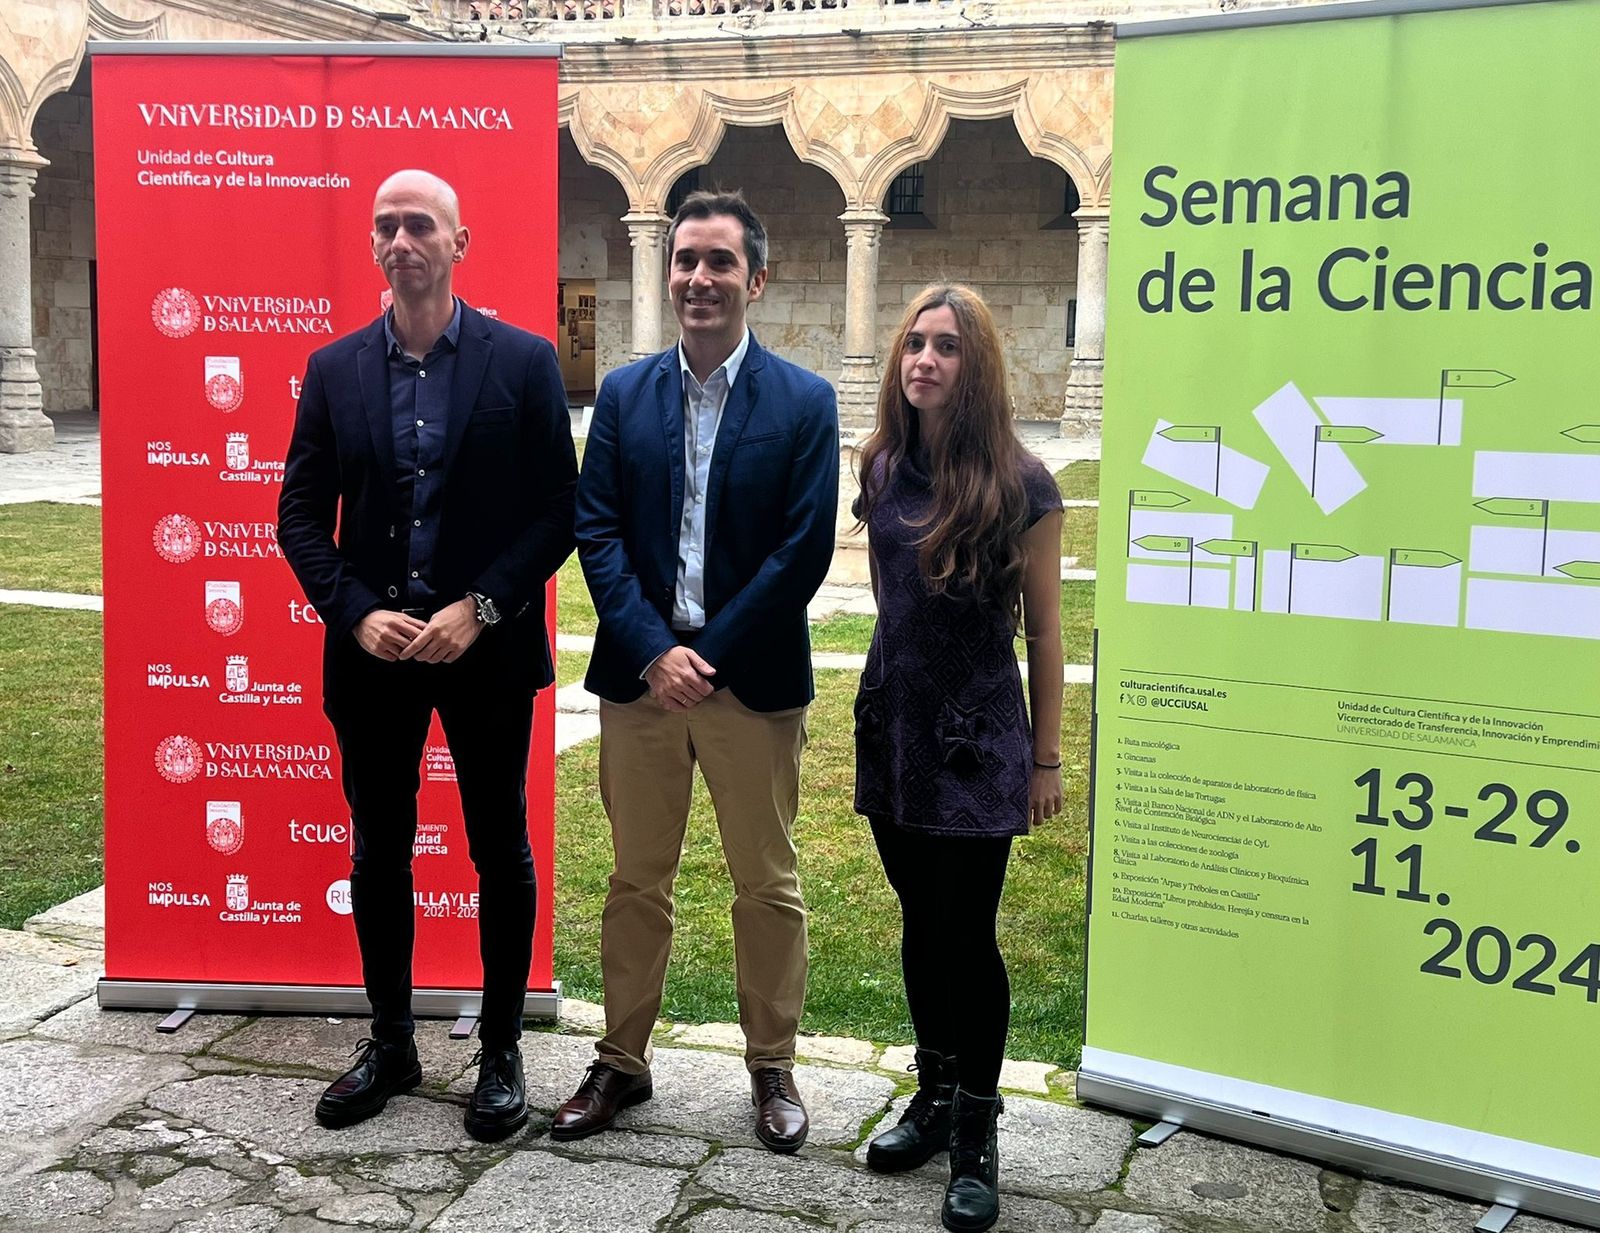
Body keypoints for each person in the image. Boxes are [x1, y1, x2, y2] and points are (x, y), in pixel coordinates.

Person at [277, 169, 577, 1142]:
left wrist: (482, 607)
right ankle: (395, 1041)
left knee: (500, 848)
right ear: (375, 246)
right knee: (378, 849)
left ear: (460, 241)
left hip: (483, 653)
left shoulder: (524, 363)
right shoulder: (333, 370)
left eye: (420, 226)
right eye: (386, 227)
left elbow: (556, 512)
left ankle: (498, 1049)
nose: (401, 240)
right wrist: (355, 612)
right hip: (373, 659)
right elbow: (298, 515)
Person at [555, 189, 839, 1152]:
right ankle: (622, 1061)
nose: (698, 279)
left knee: (765, 880)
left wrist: (706, 654)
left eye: (719, 262)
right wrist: (652, 648)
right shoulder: (626, 394)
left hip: (748, 684)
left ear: (755, 279)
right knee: (638, 879)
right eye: (685, 261)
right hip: (642, 681)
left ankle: (773, 1066)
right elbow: (595, 530)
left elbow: (801, 554)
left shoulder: (804, 401)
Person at [852, 284, 1063, 1232]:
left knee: (966, 933)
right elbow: (893, 603)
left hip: (977, 740)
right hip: (893, 722)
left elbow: (1049, 639)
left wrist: (1047, 759)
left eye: (944, 348)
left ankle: (977, 1127)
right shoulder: (883, 465)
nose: (924, 361)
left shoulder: (1023, 484)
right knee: (917, 921)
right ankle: (934, 1094)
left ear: (974, 368)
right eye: (914, 346)